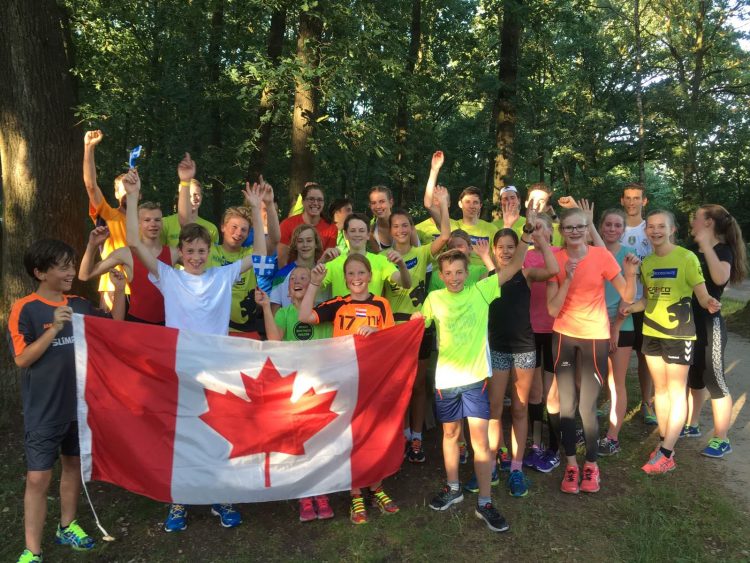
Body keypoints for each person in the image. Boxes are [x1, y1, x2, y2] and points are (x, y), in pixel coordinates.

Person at [124, 167, 267, 531]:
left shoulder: (223, 274)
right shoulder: (167, 277)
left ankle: (221, 495)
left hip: (218, 366)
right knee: (183, 432)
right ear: (181, 252)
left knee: (219, 431)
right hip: (181, 366)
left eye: (202, 250)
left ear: (209, 251)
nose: (197, 256)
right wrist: (134, 197)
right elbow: (134, 243)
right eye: (190, 250)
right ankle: (180, 502)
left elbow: (262, 255)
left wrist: (256, 209)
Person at [9, 239, 126, 563]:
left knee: (72, 465)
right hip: (44, 410)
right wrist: (54, 328)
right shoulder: (25, 308)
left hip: (79, 407)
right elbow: (22, 359)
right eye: (63, 267)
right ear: (40, 272)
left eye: (71, 266)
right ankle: (32, 550)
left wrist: (118, 293)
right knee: (38, 477)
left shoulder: (80, 303)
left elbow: (114, 329)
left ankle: (67, 525)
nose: (71, 272)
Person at [299, 255, 398, 525]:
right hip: (344, 379)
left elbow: (392, 340)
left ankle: (376, 487)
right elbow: (305, 316)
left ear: (369, 275)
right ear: (345, 278)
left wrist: (375, 330)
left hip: (373, 379)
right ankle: (355, 492)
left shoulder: (381, 304)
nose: (356, 277)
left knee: (375, 432)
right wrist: (314, 285)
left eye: (361, 272)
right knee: (351, 435)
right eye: (351, 273)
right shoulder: (339, 304)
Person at [547, 208, 639, 493]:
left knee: (587, 406)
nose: (575, 232)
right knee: (566, 405)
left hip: (595, 337)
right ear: (561, 231)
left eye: (580, 227)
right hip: (564, 335)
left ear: (588, 229)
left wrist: (631, 274)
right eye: (569, 228)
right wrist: (567, 277)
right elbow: (551, 309)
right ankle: (571, 465)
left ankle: (592, 465)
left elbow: (627, 295)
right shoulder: (557, 260)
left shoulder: (601, 256)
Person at [464, 221, 558, 498]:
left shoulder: (526, 273)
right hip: (497, 349)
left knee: (519, 408)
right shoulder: (485, 278)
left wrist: (540, 241)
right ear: (493, 250)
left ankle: (516, 468)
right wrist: (487, 262)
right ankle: (492, 465)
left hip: (524, 348)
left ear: (518, 249)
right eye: (500, 247)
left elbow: (553, 270)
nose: (505, 251)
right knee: (493, 409)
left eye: (510, 247)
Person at [621, 210, 720, 474]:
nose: (655, 231)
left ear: (672, 230)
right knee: (661, 391)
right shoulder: (648, 262)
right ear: (646, 231)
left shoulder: (687, 257)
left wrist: (708, 302)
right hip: (652, 332)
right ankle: (666, 444)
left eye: (661, 226)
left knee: (676, 391)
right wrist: (630, 308)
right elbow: (647, 300)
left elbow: (701, 294)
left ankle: (665, 452)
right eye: (651, 227)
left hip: (679, 334)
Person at [255, 268, 334, 522]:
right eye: (293, 280)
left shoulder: (321, 313)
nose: (298, 282)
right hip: (294, 390)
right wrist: (267, 307)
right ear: (287, 291)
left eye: (303, 278)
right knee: (299, 441)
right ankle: (304, 494)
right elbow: (274, 340)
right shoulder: (286, 314)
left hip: (319, 386)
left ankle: (321, 492)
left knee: (319, 442)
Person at [171, 154, 279, 338]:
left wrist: (265, 206)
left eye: (244, 230)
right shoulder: (209, 251)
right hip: (213, 330)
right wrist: (185, 182)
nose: (239, 233)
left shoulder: (248, 253)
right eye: (234, 227)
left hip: (246, 331)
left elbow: (274, 240)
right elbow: (185, 223)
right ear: (222, 227)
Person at [383, 187, 451, 463]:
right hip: (393, 328)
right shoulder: (381, 256)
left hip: (419, 325)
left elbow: (445, 235)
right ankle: (398, 435)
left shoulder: (423, 253)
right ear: (389, 231)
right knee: (397, 385)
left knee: (419, 383)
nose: (400, 229)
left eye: (404, 225)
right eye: (395, 226)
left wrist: (444, 204)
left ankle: (417, 438)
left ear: (412, 228)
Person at [684, 205, 746, 457]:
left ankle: (722, 438)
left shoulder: (722, 250)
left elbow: (720, 278)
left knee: (715, 380)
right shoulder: (690, 251)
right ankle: (692, 425)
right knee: (694, 380)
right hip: (688, 325)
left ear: (708, 223)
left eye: (696, 218)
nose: (692, 222)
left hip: (711, 327)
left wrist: (707, 246)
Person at [79, 202, 176, 324]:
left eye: (157, 220)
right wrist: (92, 245)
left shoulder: (173, 253)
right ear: (138, 224)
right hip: (136, 324)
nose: (153, 224)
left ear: (162, 223)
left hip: (168, 324)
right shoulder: (125, 254)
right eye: (147, 220)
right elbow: (84, 275)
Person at [523, 213, 563, 474]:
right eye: (533, 228)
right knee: (535, 393)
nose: (538, 233)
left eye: (542, 228)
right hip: (528, 331)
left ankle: (555, 448)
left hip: (555, 330)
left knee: (553, 395)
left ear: (551, 231)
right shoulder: (523, 256)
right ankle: (536, 444)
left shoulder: (561, 253)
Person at [596, 209, 637, 457]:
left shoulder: (629, 257)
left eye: (617, 225)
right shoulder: (590, 252)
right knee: (587, 381)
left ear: (623, 230)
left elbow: (632, 298)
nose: (612, 229)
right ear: (601, 227)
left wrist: (617, 326)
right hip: (592, 325)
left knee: (615, 382)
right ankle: (583, 428)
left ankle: (612, 436)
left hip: (622, 325)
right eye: (608, 224)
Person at [82, 129, 131, 309]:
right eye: (122, 188)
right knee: (111, 335)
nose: (127, 191)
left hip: (144, 289)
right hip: (113, 286)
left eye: (131, 186)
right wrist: (89, 148)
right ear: (116, 193)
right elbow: (91, 186)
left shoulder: (150, 222)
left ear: (139, 193)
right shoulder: (109, 215)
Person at [422, 151, 497, 266]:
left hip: (482, 279)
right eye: (467, 202)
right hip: (454, 276)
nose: (471, 206)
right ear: (460, 204)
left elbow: (497, 259)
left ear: (480, 205)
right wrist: (434, 170)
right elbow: (428, 204)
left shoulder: (491, 229)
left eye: (475, 202)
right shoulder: (452, 226)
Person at [620, 183, 656, 424]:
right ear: (622, 201)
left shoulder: (651, 229)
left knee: (646, 355)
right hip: (619, 300)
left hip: (645, 300)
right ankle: (613, 400)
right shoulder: (615, 227)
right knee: (615, 354)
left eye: (637, 198)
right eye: (628, 198)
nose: (632, 202)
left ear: (644, 202)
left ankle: (647, 403)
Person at [319, 213, 411, 298]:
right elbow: (315, 286)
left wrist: (401, 265)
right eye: (353, 231)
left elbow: (406, 284)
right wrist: (322, 262)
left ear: (367, 235)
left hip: (372, 315)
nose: (357, 234)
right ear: (346, 234)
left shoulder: (381, 260)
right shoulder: (335, 262)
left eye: (361, 231)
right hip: (342, 314)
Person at [277, 183, 338, 267]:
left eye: (319, 200)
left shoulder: (331, 228)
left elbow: (327, 261)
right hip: (291, 276)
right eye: (311, 199)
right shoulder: (287, 224)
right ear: (303, 202)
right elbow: (282, 262)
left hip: (318, 274)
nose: (316, 203)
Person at [160, 178, 219, 248]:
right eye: (189, 195)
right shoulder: (165, 223)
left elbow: (212, 257)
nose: (193, 198)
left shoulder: (211, 228)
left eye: (196, 194)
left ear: (201, 197)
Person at [368, 186, 420, 252]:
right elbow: (378, 258)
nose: (378, 206)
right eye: (373, 203)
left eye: (382, 201)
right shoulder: (371, 230)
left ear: (391, 202)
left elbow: (418, 253)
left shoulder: (405, 223)